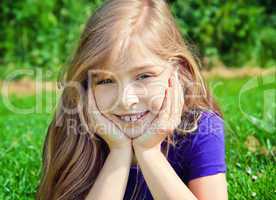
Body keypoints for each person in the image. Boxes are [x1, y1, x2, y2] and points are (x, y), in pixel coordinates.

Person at [36, 0, 228, 199]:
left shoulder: (202, 128)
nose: (126, 100)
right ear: (86, 85)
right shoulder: (74, 128)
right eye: (106, 80)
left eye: (144, 76)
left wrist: (149, 152)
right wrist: (118, 152)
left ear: (177, 71)